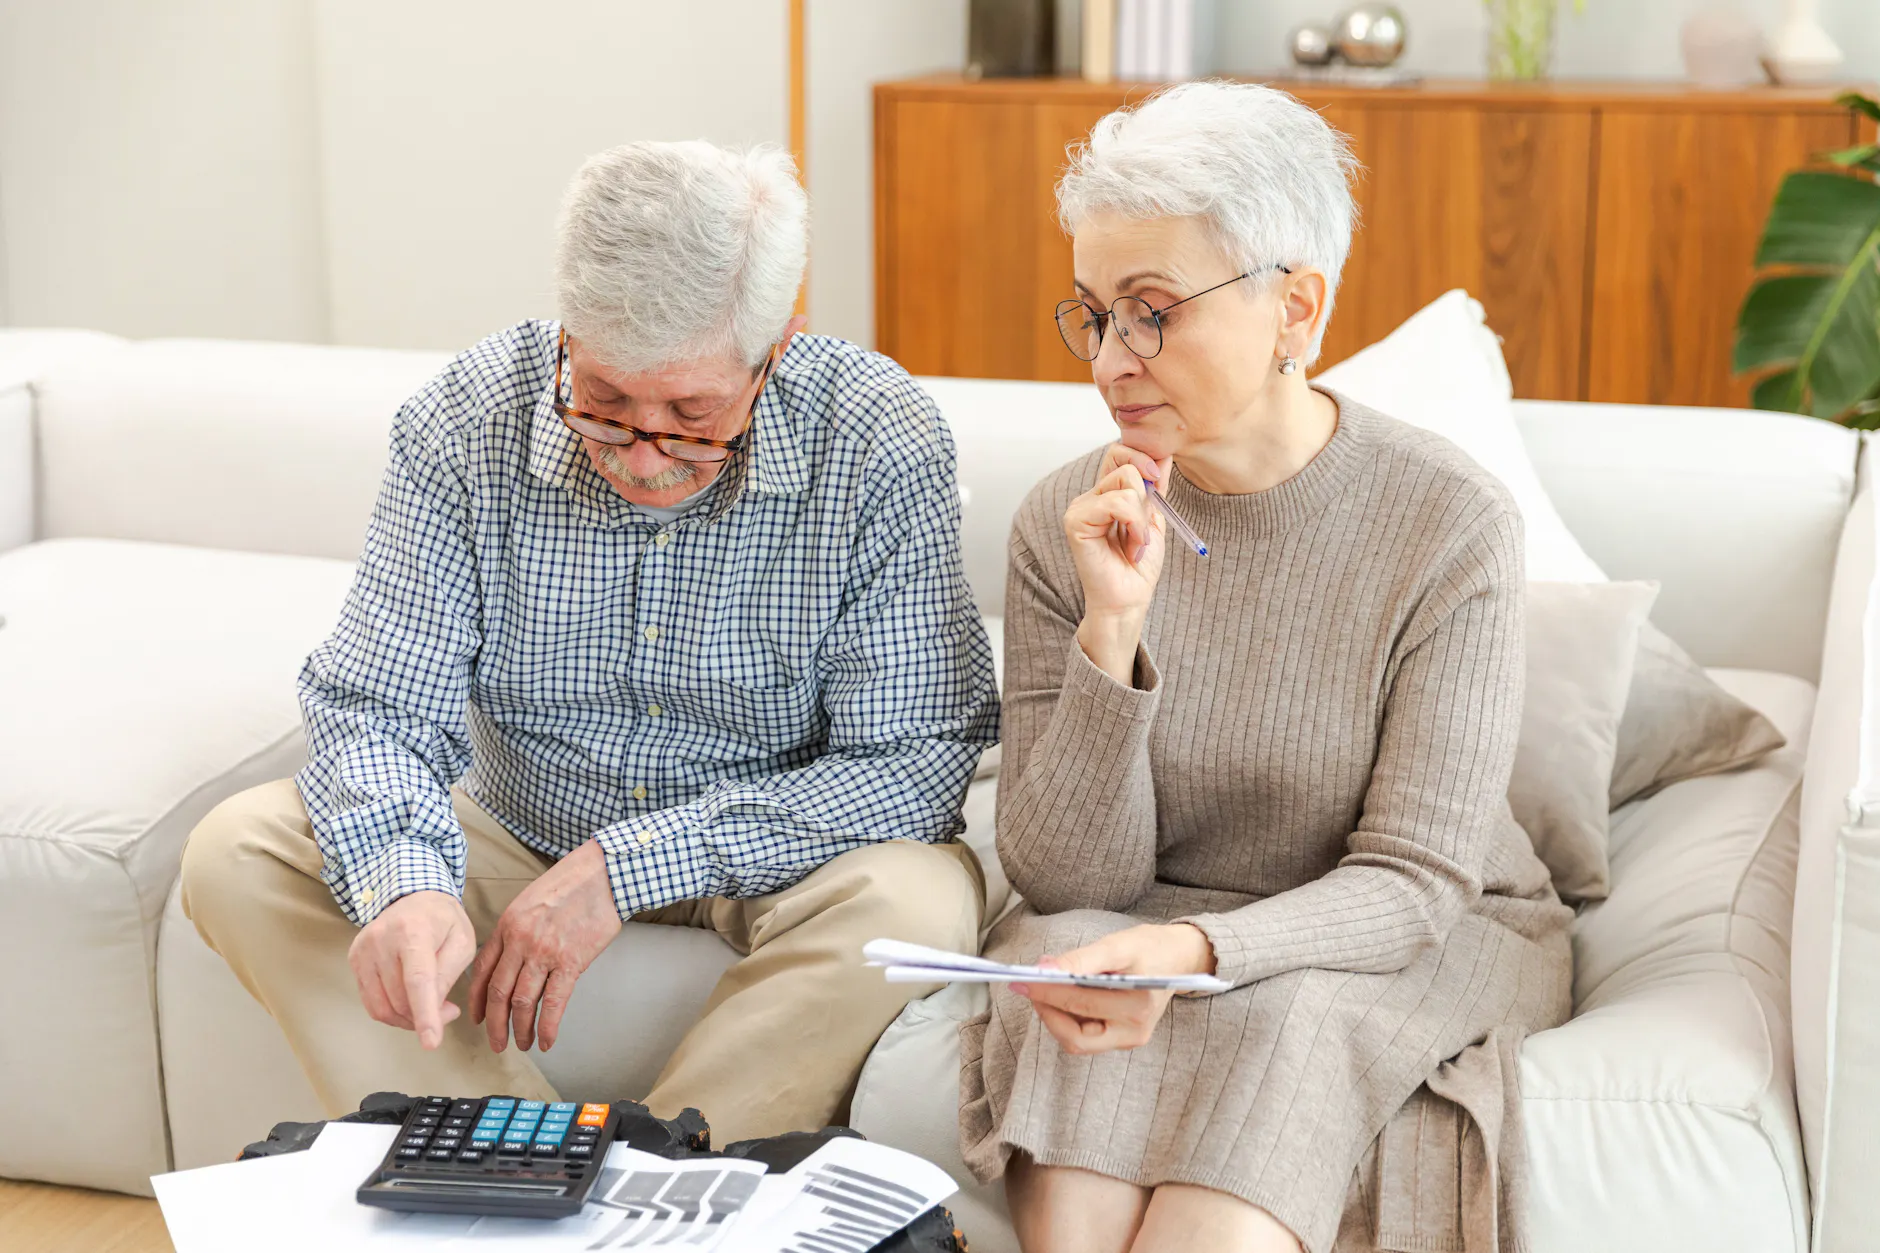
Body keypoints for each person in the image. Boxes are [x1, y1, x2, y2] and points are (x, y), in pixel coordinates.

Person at [180, 140, 998, 1145]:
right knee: (241, 849)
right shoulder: (466, 416)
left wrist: (627, 865)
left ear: (774, 351)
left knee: (914, 904)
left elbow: (912, 766)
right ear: (567, 335)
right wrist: (408, 884)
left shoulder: (877, 434)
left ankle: (660, 1179)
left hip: (778, 851)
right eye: (604, 406)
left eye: (692, 416)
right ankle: (516, 1165)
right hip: (526, 825)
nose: (644, 458)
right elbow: (377, 706)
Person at [958, 82, 1573, 1253]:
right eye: (1090, 313)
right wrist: (1110, 628)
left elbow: (1412, 878)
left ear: (1295, 308)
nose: (1107, 360)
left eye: (1149, 311)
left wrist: (1195, 956)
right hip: (1148, 913)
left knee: (1281, 1041)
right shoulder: (1066, 520)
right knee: (1066, 1027)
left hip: (1405, 921)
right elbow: (1065, 873)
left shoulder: (1446, 522)